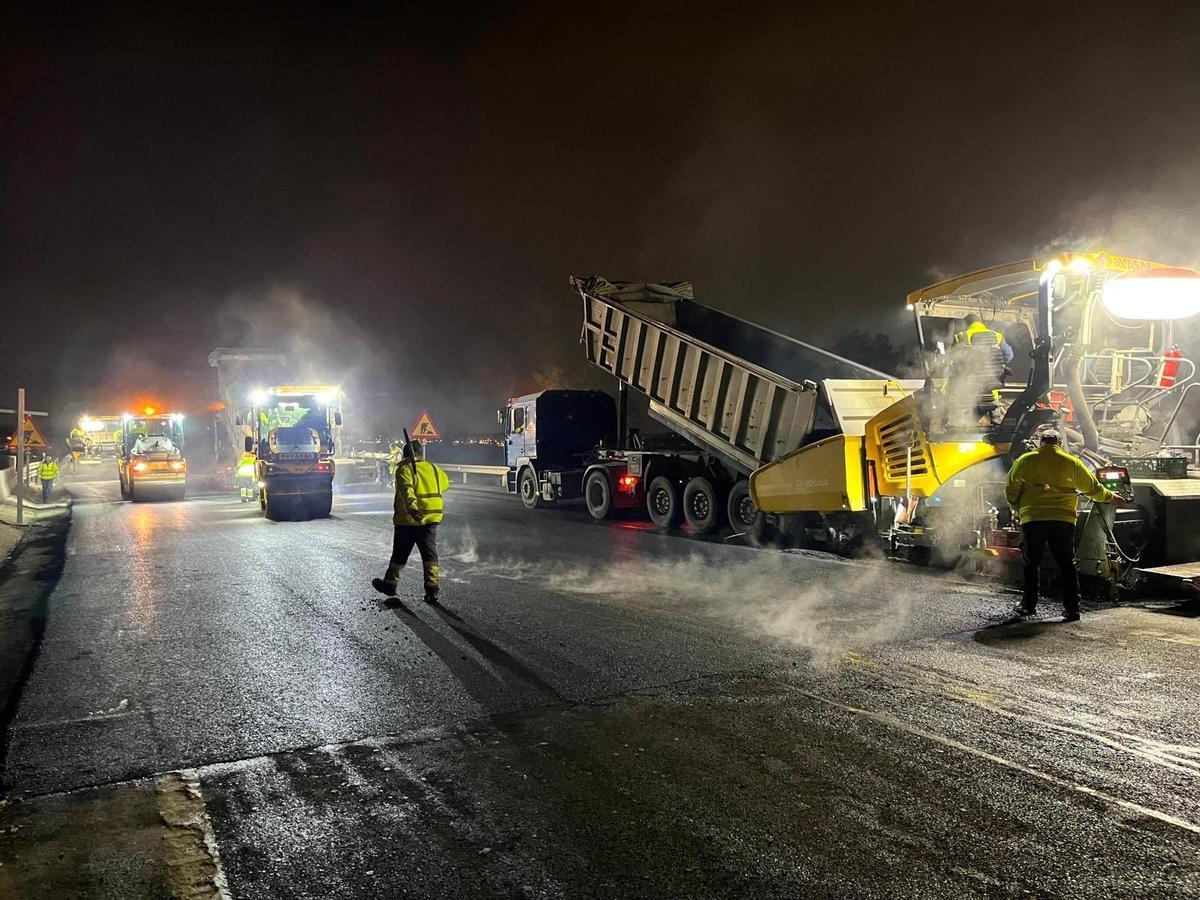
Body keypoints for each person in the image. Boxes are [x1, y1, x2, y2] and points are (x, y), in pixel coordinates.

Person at [1005, 430, 1115, 622]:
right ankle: (1072, 609)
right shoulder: (1071, 462)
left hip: (1033, 519)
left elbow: (1011, 488)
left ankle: (1029, 606)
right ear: (1060, 443)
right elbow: (1092, 488)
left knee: (1032, 563)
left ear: (1041, 443)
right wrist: (1112, 497)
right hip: (1063, 520)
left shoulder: (1025, 460)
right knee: (1067, 564)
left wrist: (1017, 507)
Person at [372, 440, 451, 603]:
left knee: (400, 553)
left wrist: (413, 508)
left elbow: (406, 490)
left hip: (409, 519)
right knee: (429, 554)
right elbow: (444, 485)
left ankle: (390, 584)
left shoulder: (404, 468)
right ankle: (432, 590)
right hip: (431, 518)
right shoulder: (434, 468)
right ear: (421, 453)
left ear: (405, 454)